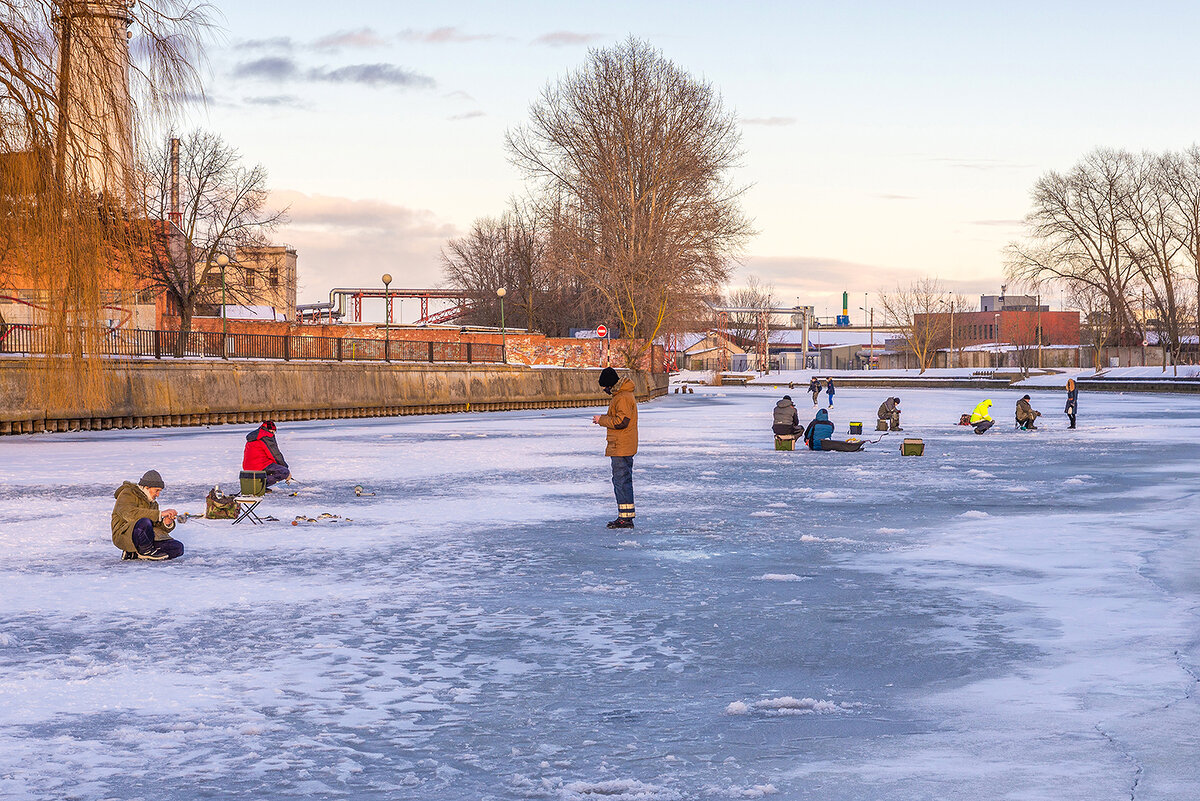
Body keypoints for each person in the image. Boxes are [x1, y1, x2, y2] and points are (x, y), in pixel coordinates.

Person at [593, 366, 638, 529]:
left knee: (621, 481)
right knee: (622, 480)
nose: (604, 389)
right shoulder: (622, 395)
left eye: (605, 386)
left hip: (621, 446)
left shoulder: (623, 397)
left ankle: (625, 519)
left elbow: (621, 421)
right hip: (622, 445)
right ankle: (625, 516)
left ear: (610, 384)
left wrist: (601, 420)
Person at [111, 470, 184, 561]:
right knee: (144, 521)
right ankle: (145, 551)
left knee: (178, 548)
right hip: (125, 535)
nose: (158, 494)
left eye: (159, 491)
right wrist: (160, 514)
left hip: (146, 538)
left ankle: (134, 553)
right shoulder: (127, 493)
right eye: (156, 491)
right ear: (146, 487)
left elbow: (155, 524)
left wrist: (166, 523)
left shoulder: (153, 503)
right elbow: (129, 513)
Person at [243, 420, 290, 487]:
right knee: (283, 472)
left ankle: (259, 486)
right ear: (270, 430)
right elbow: (275, 455)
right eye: (273, 431)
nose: (274, 434)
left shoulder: (256, 436)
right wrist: (286, 470)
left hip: (248, 467)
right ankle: (258, 486)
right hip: (259, 466)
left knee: (273, 467)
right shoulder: (266, 436)